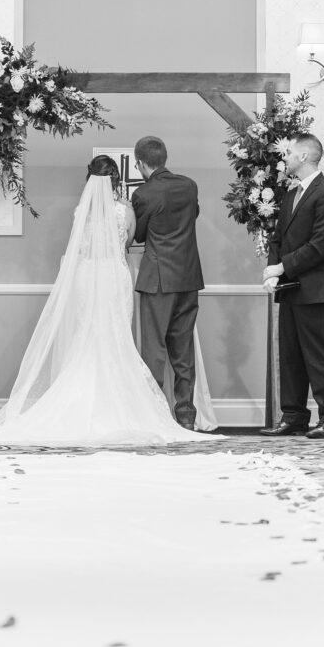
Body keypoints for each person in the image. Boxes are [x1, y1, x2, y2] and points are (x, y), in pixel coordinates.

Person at [0, 157, 211, 447]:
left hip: (87, 275)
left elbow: (82, 246)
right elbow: (127, 242)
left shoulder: (82, 212)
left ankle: (80, 402)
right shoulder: (125, 210)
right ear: (115, 180)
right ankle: (142, 408)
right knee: (116, 338)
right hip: (115, 276)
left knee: (86, 335)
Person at [260, 134, 324, 439]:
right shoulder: (291, 194)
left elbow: (321, 245)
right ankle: (293, 416)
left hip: (315, 289)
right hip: (291, 289)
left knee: (319, 356)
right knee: (291, 355)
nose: (286, 158)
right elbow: (277, 237)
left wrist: (282, 267)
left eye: (291, 153)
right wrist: (273, 273)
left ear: (306, 156)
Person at [130, 136, 204, 430]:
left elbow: (139, 235)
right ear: (164, 158)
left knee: (154, 352)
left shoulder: (144, 194)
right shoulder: (189, 185)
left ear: (140, 164)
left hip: (158, 280)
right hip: (188, 277)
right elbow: (193, 216)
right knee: (183, 352)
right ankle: (186, 416)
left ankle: (156, 417)